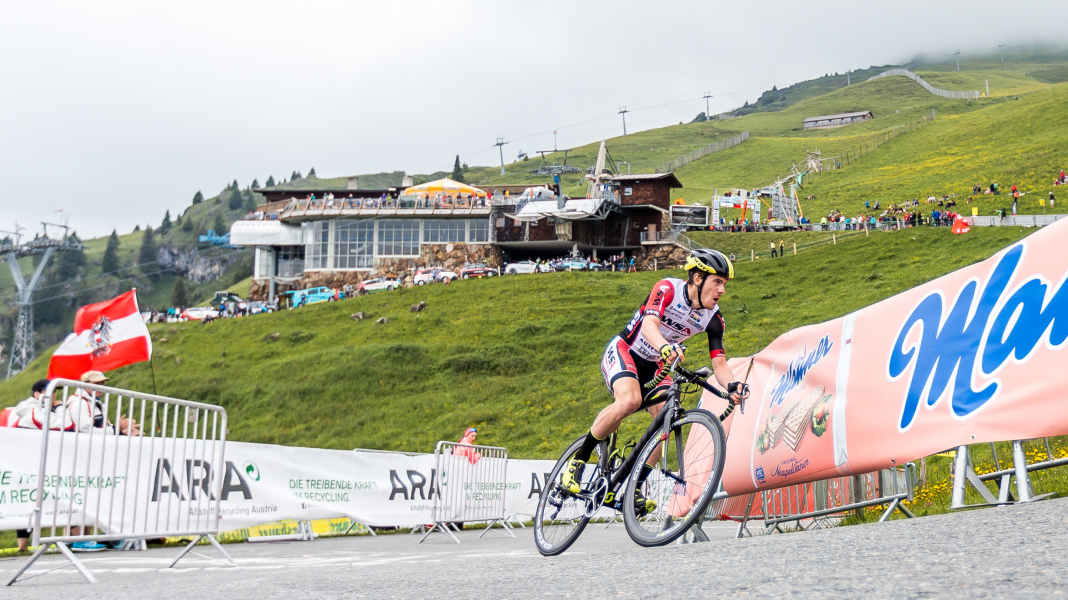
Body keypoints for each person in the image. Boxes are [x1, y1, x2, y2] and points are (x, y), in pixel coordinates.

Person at [560, 249, 750, 513]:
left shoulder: (714, 319)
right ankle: (576, 464)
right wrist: (664, 347)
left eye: (725, 284)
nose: (722, 290)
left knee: (666, 420)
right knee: (630, 400)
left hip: (657, 363)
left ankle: (634, 489)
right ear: (697, 278)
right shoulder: (667, 289)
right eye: (717, 282)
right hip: (627, 350)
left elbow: (719, 362)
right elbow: (650, 325)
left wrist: (732, 385)